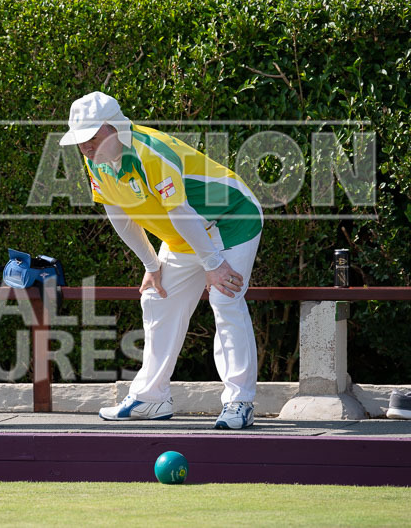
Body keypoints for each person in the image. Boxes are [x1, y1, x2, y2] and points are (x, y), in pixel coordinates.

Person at [60, 92, 262, 429]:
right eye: (80, 142)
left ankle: (239, 402)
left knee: (225, 297)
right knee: (157, 297)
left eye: (92, 138)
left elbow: (181, 211)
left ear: (115, 129)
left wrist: (213, 265)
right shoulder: (96, 158)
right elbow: (119, 213)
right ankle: (152, 398)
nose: (86, 148)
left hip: (230, 219)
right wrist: (151, 266)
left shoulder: (151, 153)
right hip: (185, 232)